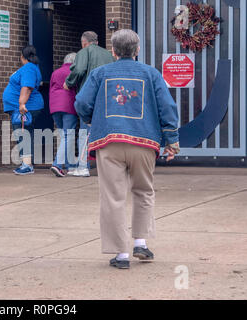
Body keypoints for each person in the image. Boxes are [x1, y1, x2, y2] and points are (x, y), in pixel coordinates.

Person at [74, 29, 180, 269]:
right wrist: (171, 140)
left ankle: (121, 255)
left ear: (113, 51)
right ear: (137, 50)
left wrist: (94, 118)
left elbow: (81, 102)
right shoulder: (151, 74)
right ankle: (140, 242)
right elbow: (167, 108)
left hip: (109, 141)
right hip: (144, 141)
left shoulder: (100, 73)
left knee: (113, 197)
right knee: (143, 191)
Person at [64, 31, 114, 177]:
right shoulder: (108, 55)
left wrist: (69, 82)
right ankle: (109, 167)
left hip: (90, 99)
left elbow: (78, 70)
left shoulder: (84, 52)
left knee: (85, 132)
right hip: (108, 98)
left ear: (84, 43)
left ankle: (83, 166)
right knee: (107, 133)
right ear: (97, 41)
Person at [2, 45, 44, 175]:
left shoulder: (29, 68)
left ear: (22, 56)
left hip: (24, 107)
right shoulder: (30, 68)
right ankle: (27, 163)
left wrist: (21, 104)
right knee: (25, 133)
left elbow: (27, 87)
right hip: (24, 106)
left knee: (22, 133)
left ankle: (27, 165)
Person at [49, 52, 78, 177]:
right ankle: (57, 164)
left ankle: (70, 165)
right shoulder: (74, 72)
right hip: (68, 106)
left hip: (54, 107)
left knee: (64, 136)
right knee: (68, 136)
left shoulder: (55, 72)